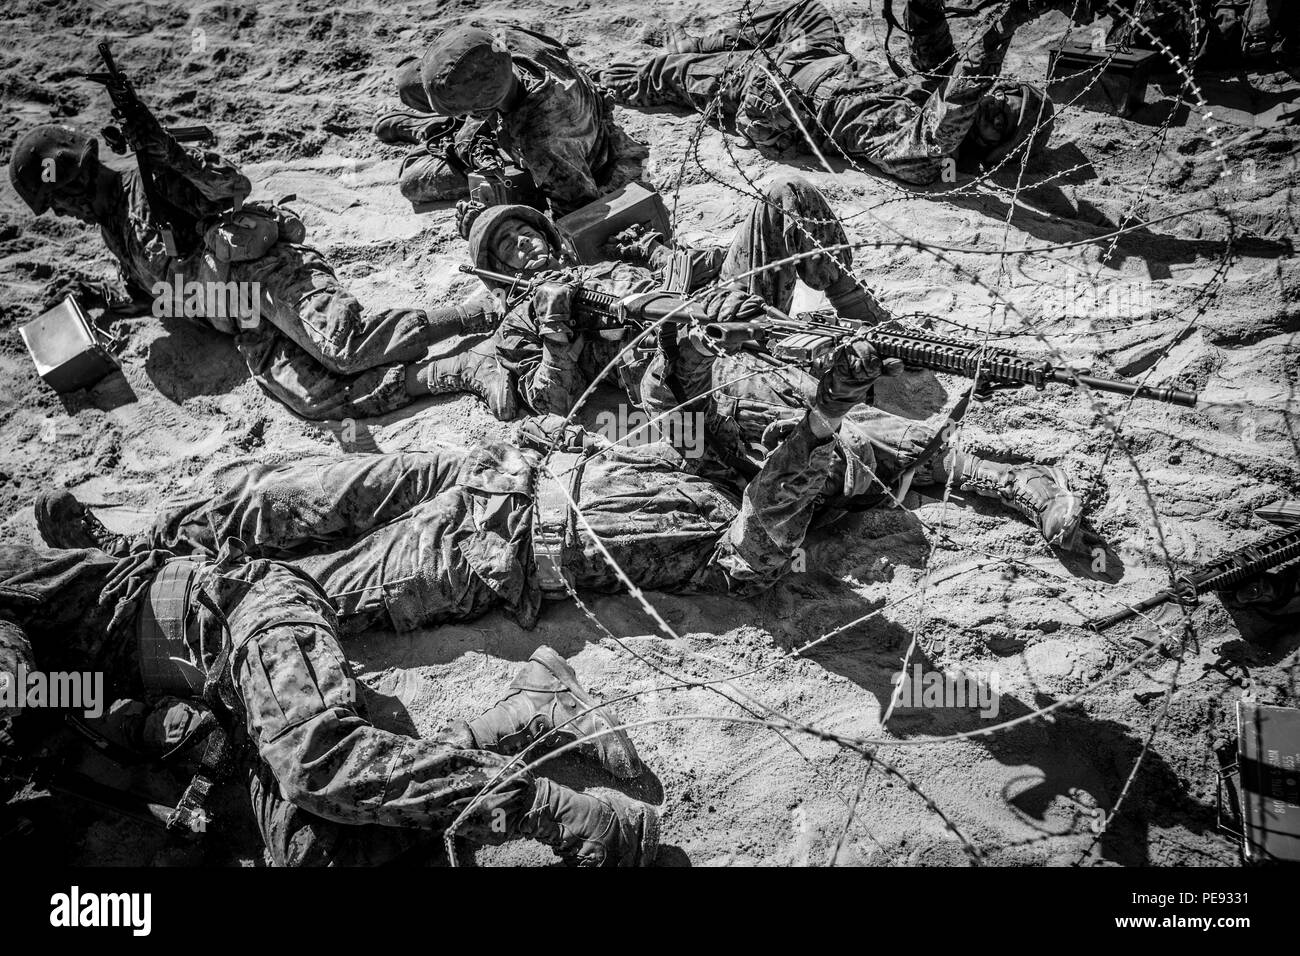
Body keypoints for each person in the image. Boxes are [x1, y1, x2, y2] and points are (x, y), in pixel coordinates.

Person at [0, 540, 658, 867]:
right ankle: (524, 711)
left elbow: (12, 676)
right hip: (217, 709)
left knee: (315, 764)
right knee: (317, 853)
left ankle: (566, 816)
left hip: (230, 613)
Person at [8, 120, 509, 421]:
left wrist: (172, 153)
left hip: (265, 274)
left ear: (72, 183)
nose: (63, 216)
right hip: (241, 317)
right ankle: (448, 372)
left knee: (346, 346)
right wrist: (108, 302)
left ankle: (474, 314)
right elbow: (160, 286)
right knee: (314, 397)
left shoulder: (152, 179)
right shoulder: (114, 227)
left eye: (57, 204)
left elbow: (231, 188)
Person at [598, 0, 1080, 184]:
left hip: (780, 97)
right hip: (818, 59)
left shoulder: (933, 153)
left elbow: (957, 103)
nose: (993, 105)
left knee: (667, 74)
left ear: (996, 149)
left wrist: (1003, 28)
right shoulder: (944, 95)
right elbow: (934, 47)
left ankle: (624, 77)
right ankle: (703, 44)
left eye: (1001, 120)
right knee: (807, 13)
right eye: (1003, 97)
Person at [419, 24, 643, 217]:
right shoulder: (508, 44)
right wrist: (480, 150)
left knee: (413, 182)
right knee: (411, 88)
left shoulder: (539, 141)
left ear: (479, 111)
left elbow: (578, 209)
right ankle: (425, 127)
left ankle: (417, 128)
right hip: (569, 123)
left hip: (588, 158)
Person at [372, 53, 504, 205]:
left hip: (508, 150)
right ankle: (447, 124)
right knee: (408, 82)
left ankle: (438, 129)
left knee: (411, 181)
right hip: (495, 93)